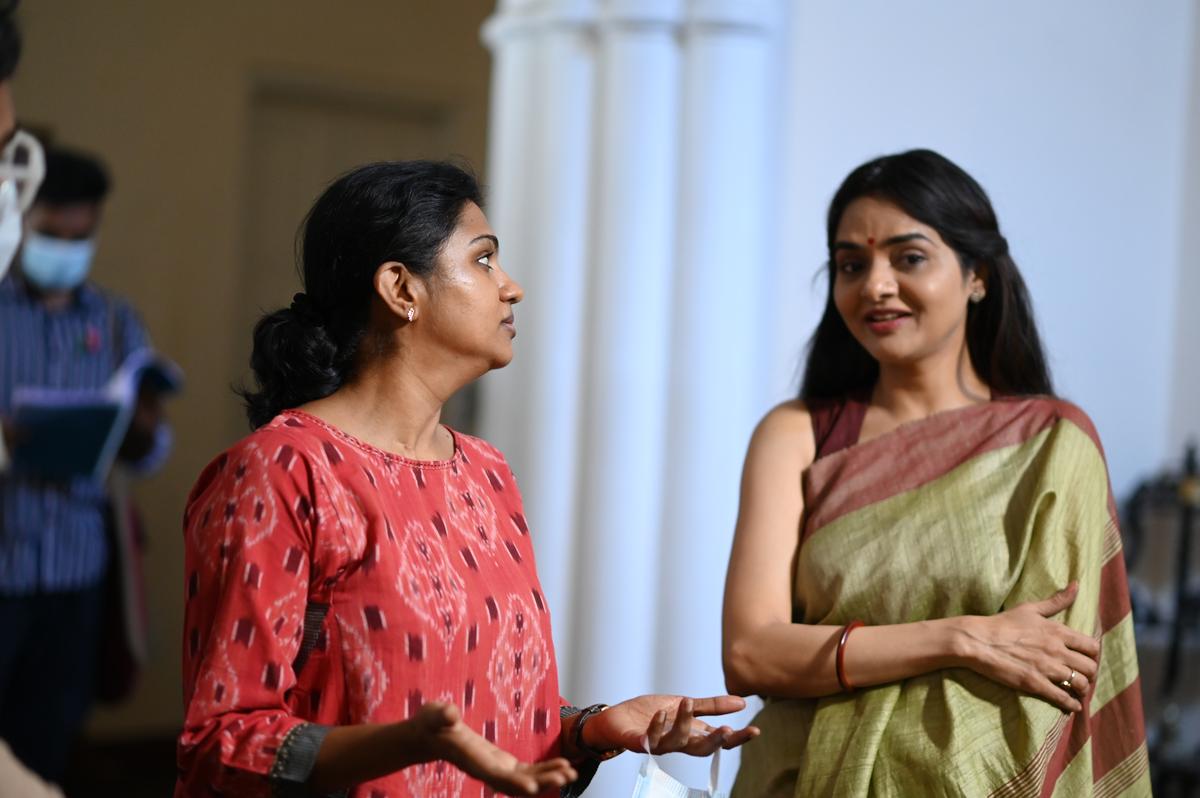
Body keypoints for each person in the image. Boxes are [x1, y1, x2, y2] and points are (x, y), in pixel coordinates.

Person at [177, 160, 759, 797]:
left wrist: (590, 729)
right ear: (402, 289)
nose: (512, 288)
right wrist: (408, 743)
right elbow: (221, 741)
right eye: (484, 260)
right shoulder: (284, 470)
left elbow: (488, 721)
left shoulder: (484, 470)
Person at [722, 149, 1147, 796]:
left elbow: (1052, 679)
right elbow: (750, 653)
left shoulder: (1051, 446)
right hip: (800, 778)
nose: (876, 285)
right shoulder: (798, 435)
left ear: (977, 274)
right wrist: (961, 638)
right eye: (851, 265)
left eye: (909, 257)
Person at [0, 145, 172, 782]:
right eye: (51, 234)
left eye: (81, 236)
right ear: (22, 221)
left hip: (77, 572)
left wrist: (139, 432)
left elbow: (152, 453)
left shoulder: (117, 321)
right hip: (3, 564)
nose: (66, 249)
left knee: (47, 746)